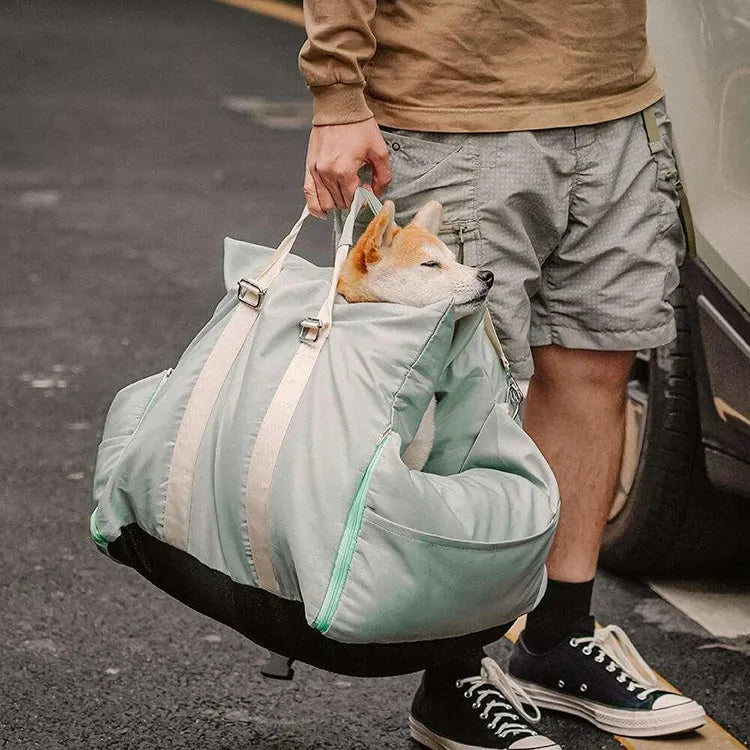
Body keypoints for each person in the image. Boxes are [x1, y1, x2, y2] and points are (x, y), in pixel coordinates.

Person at [298, 2, 705, 748]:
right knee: (463, 402)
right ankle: (450, 675)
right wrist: (336, 90)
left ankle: (556, 639)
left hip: (618, 100)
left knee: (595, 363)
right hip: (454, 109)